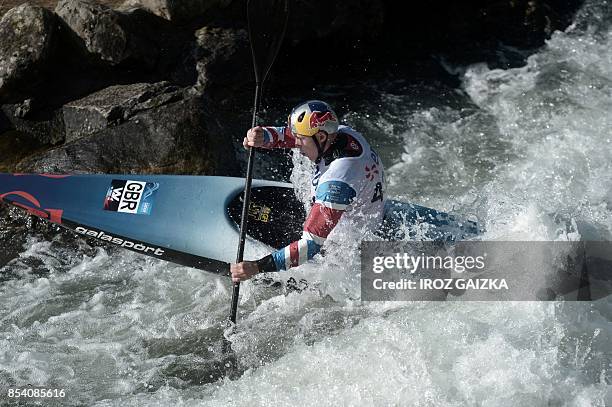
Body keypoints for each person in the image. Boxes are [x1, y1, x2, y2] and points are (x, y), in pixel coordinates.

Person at [231, 100, 385, 282]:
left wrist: (257, 267)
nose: (297, 144)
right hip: (367, 216)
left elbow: (310, 247)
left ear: (320, 138)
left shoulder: (337, 183)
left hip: (346, 249)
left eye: (301, 139)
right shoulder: (343, 133)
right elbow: (293, 135)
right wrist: (264, 136)